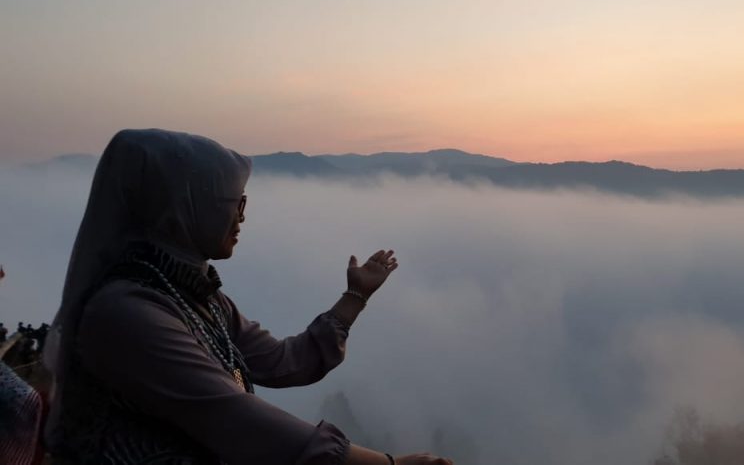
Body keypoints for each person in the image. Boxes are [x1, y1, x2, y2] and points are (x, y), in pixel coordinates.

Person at [42, 129, 453, 465]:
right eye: (231, 203)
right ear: (183, 207)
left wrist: (355, 296)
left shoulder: (192, 295)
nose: (242, 215)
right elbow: (236, 419)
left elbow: (282, 362)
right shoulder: (126, 313)